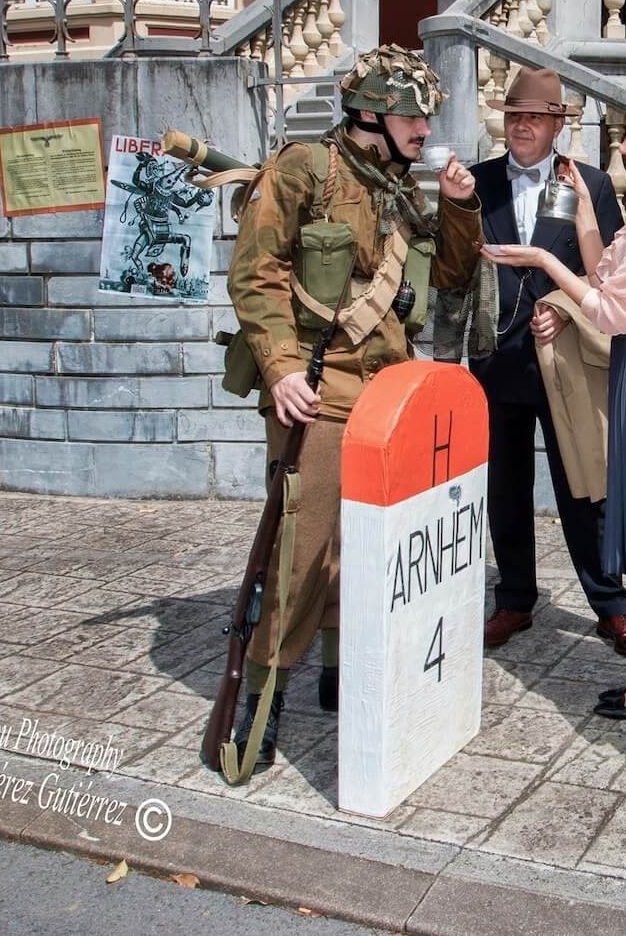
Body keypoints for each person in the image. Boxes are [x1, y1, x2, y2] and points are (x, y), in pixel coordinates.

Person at [225, 44, 486, 772]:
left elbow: (457, 272)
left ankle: (344, 674)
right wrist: (278, 367)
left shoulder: (403, 189)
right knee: (300, 554)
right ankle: (261, 701)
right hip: (319, 389)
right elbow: (256, 272)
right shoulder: (307, 168)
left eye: (426, 114)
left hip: (390, 391)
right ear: (370, 111)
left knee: (368, 548)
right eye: (411, 113)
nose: (423, 127)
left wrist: (461, 206)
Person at [482, 91, 626, 716]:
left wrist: (539, 261)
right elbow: (608, 273)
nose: (625, 148)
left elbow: (610, 309)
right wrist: (585, 210)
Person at [471, 68, 626, 658]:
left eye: (535, 117)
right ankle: (515, 599)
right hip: (496, 360)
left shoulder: (589, 182)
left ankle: (611, 607)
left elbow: (611, 277)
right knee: (506, 487)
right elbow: (459, 270)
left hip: (564, 358)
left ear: (556, 125)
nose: (522, 126)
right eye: (514, 115)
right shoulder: (476, 183)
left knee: (584, 486)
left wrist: (566, 313)